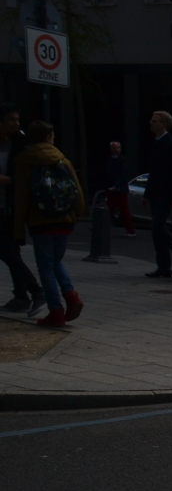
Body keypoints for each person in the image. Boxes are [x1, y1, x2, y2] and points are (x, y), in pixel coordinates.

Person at [12, 121, 85, 327]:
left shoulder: (25, 161)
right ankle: (71, 296)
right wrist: (77, 213)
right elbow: (77, 191)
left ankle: (56, 311)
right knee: (56, 261)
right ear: (48, 138)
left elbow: (21, 197)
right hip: (65, 220)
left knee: (45, 267)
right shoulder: (62, 159)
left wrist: (18, 229)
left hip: (41, 221)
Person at [0, 103, 44, 315]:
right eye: (11, 119)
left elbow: (30, 174)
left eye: (17, 119)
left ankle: (36, 291)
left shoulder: (22, 142)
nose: (15, 123)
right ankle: (20, 296)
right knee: (12, 252)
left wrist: (9, 180)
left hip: (11, 206)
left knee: (7, 251)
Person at [143, 110, 172, 278]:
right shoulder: (156, 143)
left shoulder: (171, 144)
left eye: (155, 121)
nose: (151, 123)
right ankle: (164, 266)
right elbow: (153, 172)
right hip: (156, 194)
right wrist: (147, 194)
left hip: (166, 194)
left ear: (164, 124)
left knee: (158, 225)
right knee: (156, 230)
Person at [105, 141, 136, 237]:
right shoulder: (110, 159)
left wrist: (117, 185)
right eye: (114, 148)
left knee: (124, 209)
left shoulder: (123, 160)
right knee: (108, 208)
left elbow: (124, 174)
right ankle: (102, 227)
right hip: (111, 188)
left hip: (120, 189)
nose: (116, 149)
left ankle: (131, 230)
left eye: (118, 148)